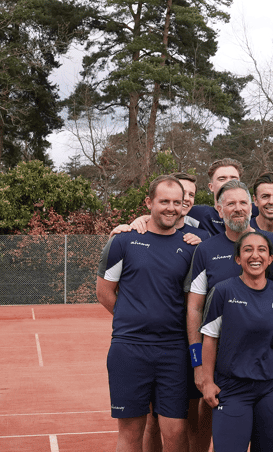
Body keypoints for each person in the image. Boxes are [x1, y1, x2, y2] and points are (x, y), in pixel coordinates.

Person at [96, 175, 196, 452]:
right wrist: (132, 315)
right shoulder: (123, 241)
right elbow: (104, 292)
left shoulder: (190, 248)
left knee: (176, 432)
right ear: (149, 203)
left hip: (173, 351)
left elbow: (191, 301)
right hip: (129, 349)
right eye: (164, 201)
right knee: (131, 433)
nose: (171, 208)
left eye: (177, 202)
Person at [185, 180, 273, 451]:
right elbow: (194, 308)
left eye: (243, 203)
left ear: (252, 206)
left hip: (270, 373)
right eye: (230, 203)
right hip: (225, 372)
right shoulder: (205, 249)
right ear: (219, 210)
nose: (238, 209)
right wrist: (199, 367)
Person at [200, 231, 273, 452]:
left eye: (262, 250)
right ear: (238, 259)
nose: (255, 255)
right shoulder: (222, 291)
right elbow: (209, 339)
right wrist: (207, 380)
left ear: (270, 259)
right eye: (247, 250)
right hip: (232, 387)